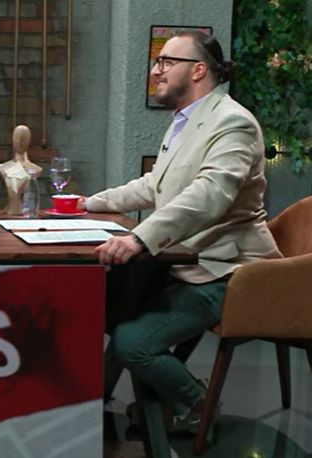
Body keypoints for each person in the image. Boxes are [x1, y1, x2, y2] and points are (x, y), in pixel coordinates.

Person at [78, 31, 281, 430]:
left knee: (133, 342)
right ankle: (112, 407)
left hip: (227, 269)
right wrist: (88, 203)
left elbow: (210, 195)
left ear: (199, 70)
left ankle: (199, 406)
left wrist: (139, 238)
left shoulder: (233, 123)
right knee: (112, 306)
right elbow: (155, 184)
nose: (157, 70)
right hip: (186, 260)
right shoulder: (185, 120)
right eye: (158, 62)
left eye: (167, 61)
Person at [0, 125, 42, 215]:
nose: (19, 142)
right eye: (17, 138)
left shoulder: (36, 169)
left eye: (23, 139)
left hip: (26, 214)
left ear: (29, 141)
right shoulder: (3, 167)